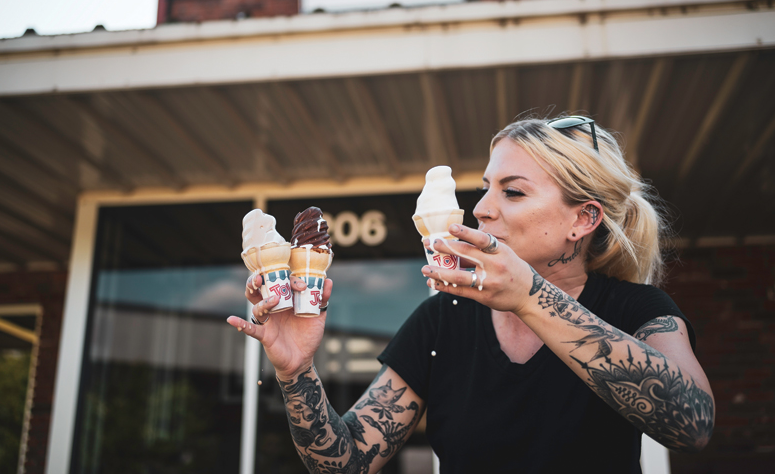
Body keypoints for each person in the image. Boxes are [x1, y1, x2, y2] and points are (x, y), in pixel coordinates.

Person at [227, 115, 714, 473]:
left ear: (582, 220)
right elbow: (344, 462)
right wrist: (296, 371)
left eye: (513, 192)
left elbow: (692, 424)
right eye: (485, 188)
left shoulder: (636, 309)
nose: (481, 208)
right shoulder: (444, 321)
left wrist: (528, 296)